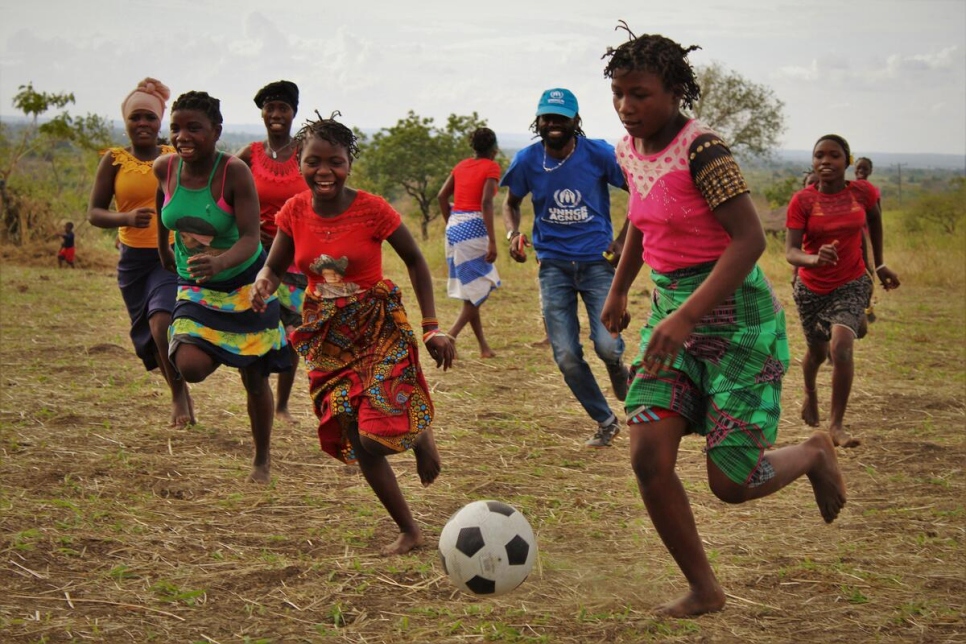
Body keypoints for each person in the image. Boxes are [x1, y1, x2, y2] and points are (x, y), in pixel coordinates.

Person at [600, 25, 848, 618]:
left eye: (640, 94)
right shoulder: (626, 149)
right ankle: (705, 589)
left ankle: (814, 452)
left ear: (674, 92)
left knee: (731, 483)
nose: (627, 107)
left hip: (737, 326)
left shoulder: (704, 150)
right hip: (671, 319)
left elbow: (749, 239)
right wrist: (620, 288)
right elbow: (639, 218)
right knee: (646, 458)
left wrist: (686, 317)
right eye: (618, 94)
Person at [251, 112, 455, 555]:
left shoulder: (372, 209)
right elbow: (275, 262)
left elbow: (418, 261)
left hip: (376, 326)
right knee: (356, 435)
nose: (324, 171)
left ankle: (419, 433)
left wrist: (432, 326)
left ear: (349, 164)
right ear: (299, 163)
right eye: (313, 161)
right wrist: (264, 280)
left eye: (335, 162)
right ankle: (410, 529)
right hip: (327, 337)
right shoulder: (294, 211)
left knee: (373, 436)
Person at [154, 90, 290, 484]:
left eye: (194, 128)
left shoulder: (234, 172)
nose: (183, 136)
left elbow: (250, 238)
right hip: (195, 286)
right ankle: (221, 349)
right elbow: (162, 210)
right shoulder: (164, 168)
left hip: (246, 283)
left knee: (255, 378)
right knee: (190, 367)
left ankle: (262, 459)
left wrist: (219, 262)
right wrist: (165, 252)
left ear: (216, 131)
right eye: (176, 128)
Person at [501, 87, 629, 448]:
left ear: (576, 121)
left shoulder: (599, 154)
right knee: (567, 356)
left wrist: (621, 241)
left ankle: (618, 369)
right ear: (538, 122)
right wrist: (514, 233)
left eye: (561, 118)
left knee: (606, 346)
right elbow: (510, 203)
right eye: (547, 118)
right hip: (553, 265)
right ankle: (605, 420)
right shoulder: (527, 160)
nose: (554, 125)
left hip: (597, 263)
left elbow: (640, 191)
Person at [87, 77, 193, 428]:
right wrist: (126, 217)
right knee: (147, 338)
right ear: (126, 122)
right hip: (132, 263)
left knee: (162, 322)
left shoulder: (173, 158)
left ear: (160, 121)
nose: (143, 124)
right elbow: (95, 212)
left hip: (168, 256)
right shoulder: (114, 161)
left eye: (150, 117)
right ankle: (176, 387)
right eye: (136, 118)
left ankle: (179, 397)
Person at [786, 135, 900, 449]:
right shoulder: (803, 201)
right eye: (819, 155)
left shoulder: (863, 193)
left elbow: (875, 219)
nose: (826, 161)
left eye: (834, 156)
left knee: (842, 346)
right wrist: (813, 259)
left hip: (851, 282)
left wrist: (879, 265)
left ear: (847, 162)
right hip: (810, 289)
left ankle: (836, 424)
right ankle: (810, 392)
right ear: (812, 162)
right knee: (818, 354)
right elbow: (791, 251)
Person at [236, 80, 306, 423]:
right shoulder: (250, 154)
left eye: (283, 108)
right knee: (259, 325)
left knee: (293, 331)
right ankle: (259, 395)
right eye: (270, 109)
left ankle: (282, 405)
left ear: (294, 113)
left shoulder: (306, 151)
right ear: (263, 114)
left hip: (295, 251)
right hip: (255, 253)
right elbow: (223, 183)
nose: (276, 115)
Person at [436, 126, 502, 358]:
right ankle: (451, 335)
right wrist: (493, 241)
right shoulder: (491, 167)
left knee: (470, 289)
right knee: (484, 283)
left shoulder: (461, 166)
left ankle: (483, 347)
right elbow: (486, 203)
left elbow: (442, 196)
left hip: (454, 228)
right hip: (474, 229)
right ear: (494, 149)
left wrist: (451, 222)